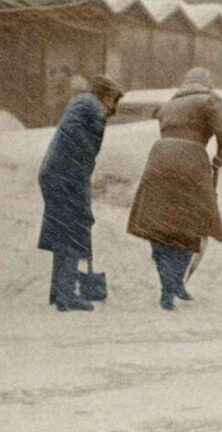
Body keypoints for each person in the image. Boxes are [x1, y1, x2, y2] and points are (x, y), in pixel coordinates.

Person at [127, 67, 222, 311]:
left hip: (159, 158)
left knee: (159, 225)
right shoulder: (210, 100)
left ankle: (169, 283)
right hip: (191, 159)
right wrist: (220, 157)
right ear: (207, 83)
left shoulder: (169, 104)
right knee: (190, 224)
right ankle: (174, 282)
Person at [38, 75, 123, 311]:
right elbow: (76, 134)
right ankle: (66, 295)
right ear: (105, 95)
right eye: (113, 99)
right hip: (66, 176)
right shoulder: (90, 105)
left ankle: (59, 292)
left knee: (64, 230)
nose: (113, 107)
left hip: (59, 174)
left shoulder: (83, 103)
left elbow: (73, 134)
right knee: (73, 230)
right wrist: (83, 158)